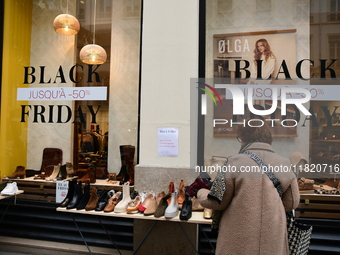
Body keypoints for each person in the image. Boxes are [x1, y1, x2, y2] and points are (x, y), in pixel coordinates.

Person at [197, 121, 300, 255]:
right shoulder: (285, 163)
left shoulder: (234, 162)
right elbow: (291, 203)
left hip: (238, 240)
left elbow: (216, 201)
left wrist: (201, 192)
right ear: (268, 139)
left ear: (244, 139)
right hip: (272, 238)